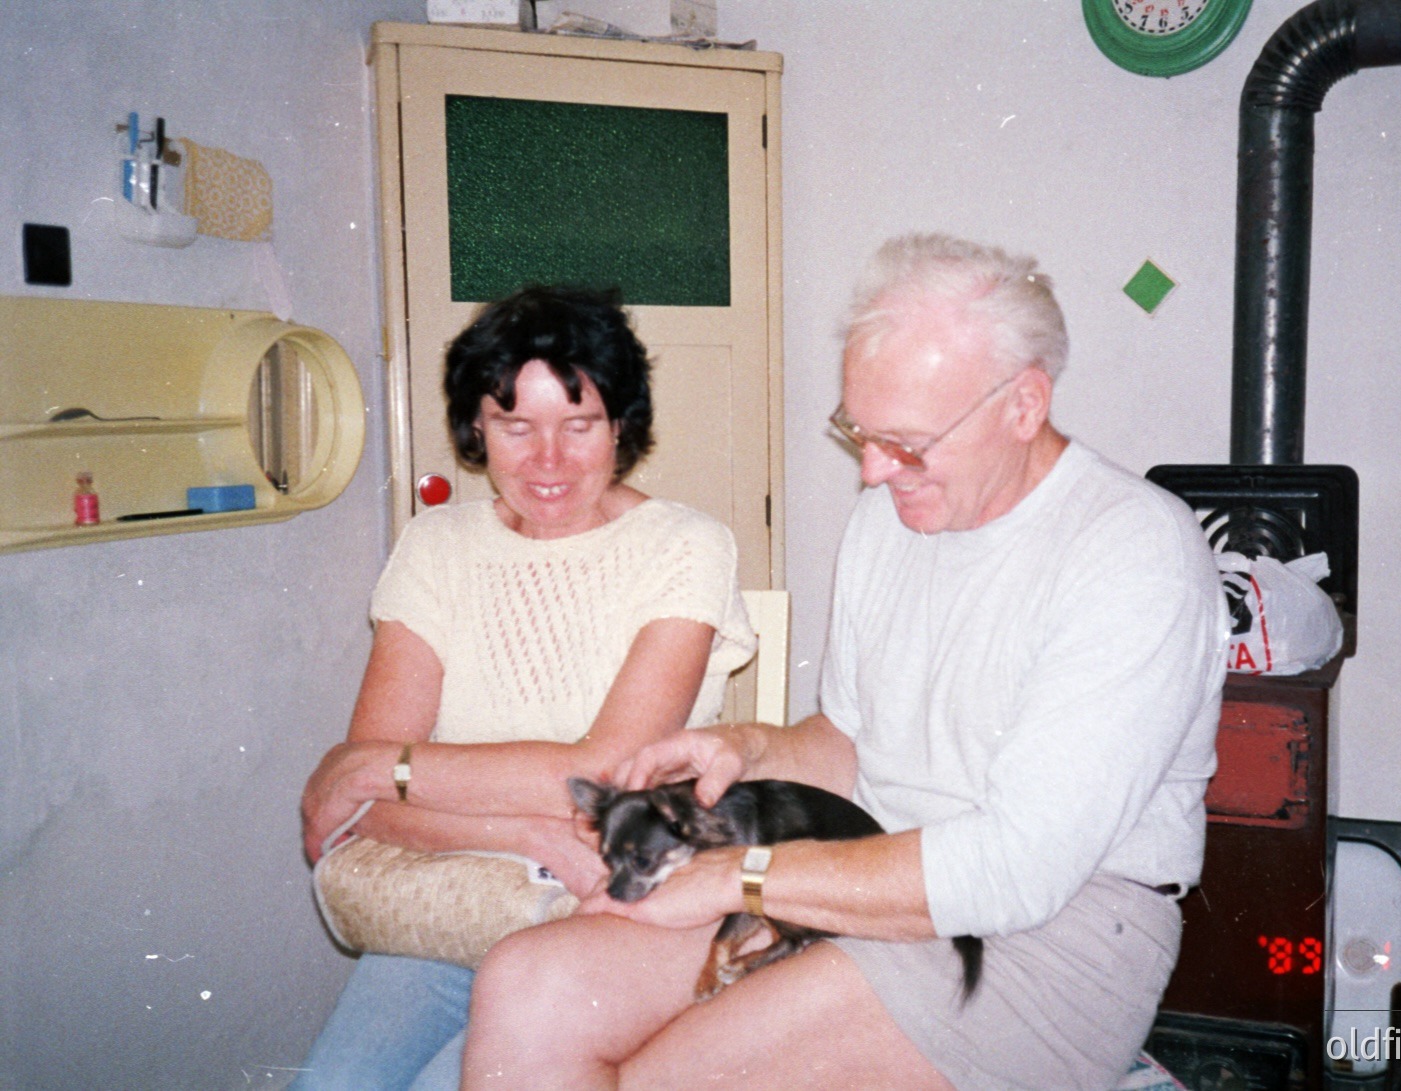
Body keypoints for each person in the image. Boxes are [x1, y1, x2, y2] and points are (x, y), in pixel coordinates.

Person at [461, 234, 1228, 1090]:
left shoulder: (1131, 551)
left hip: (1048, 936)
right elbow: (851, 738)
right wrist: (746, 749)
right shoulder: (891, 515)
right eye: (857, 432)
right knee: (526, 986)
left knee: (665, 1077)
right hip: (859, 869)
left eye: (902, 442)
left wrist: (735, 876)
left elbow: (1013, 870)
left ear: (1022, 405)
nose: (870, 469)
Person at [293, 286, 756, 1090]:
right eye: (516, 425)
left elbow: (607, 774)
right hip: (456, 898)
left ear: (621, 425)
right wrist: (535, 837)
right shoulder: (437, 546)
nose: (549, 460)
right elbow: (369, 804)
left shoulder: (685, 545)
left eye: (578, 424)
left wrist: (379, 767)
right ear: (478, 426)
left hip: (615, 913)